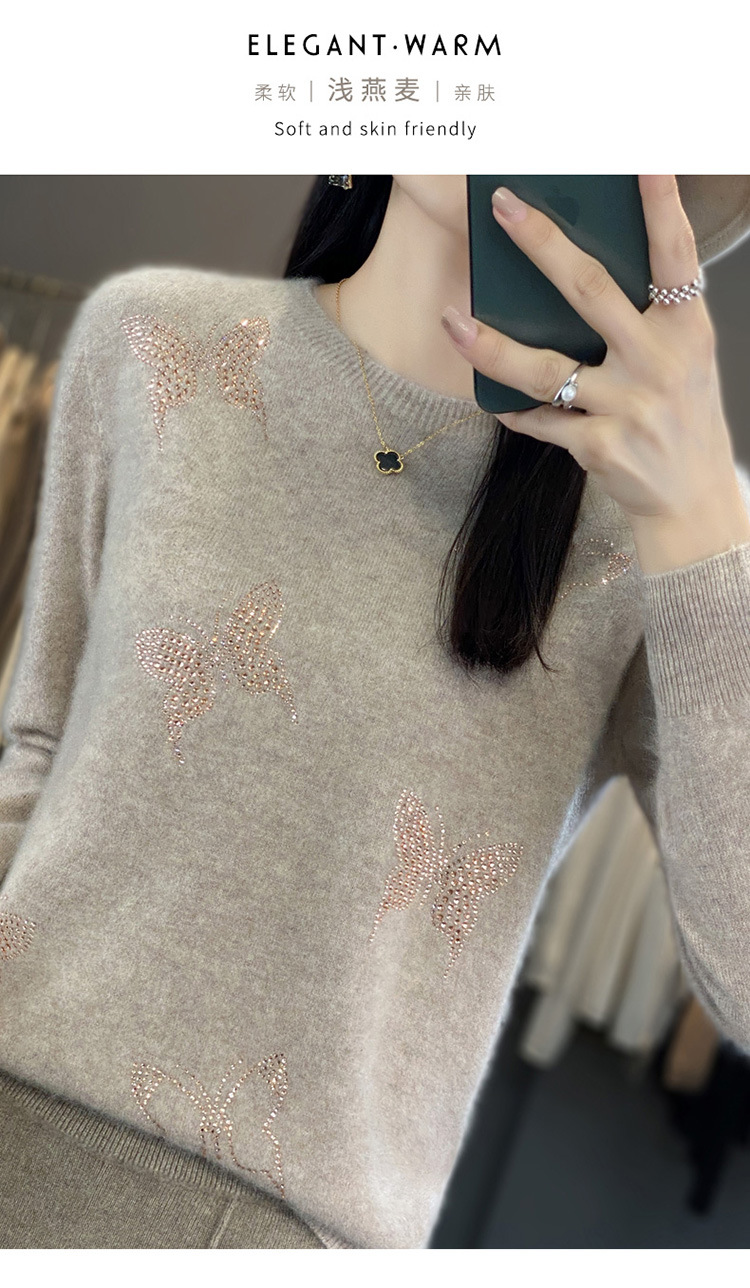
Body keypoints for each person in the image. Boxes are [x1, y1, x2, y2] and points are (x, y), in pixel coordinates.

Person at [1, 174, 750, 1250]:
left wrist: (703, 520)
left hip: (294, 1232)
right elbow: (38, 748)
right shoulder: (149, 338)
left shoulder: (651, 525)